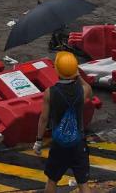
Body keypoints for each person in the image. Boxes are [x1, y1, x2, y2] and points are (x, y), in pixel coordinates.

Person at [33, 52, 92, 193]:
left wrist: (39, 140)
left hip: (59, 144)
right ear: (75, 70)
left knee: (52, 180)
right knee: (83, 183)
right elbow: (89, 89)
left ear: (57, 70)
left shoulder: (50, 93)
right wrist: (78, 75)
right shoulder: (81, 90)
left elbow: (43, 119)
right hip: (78, 142)